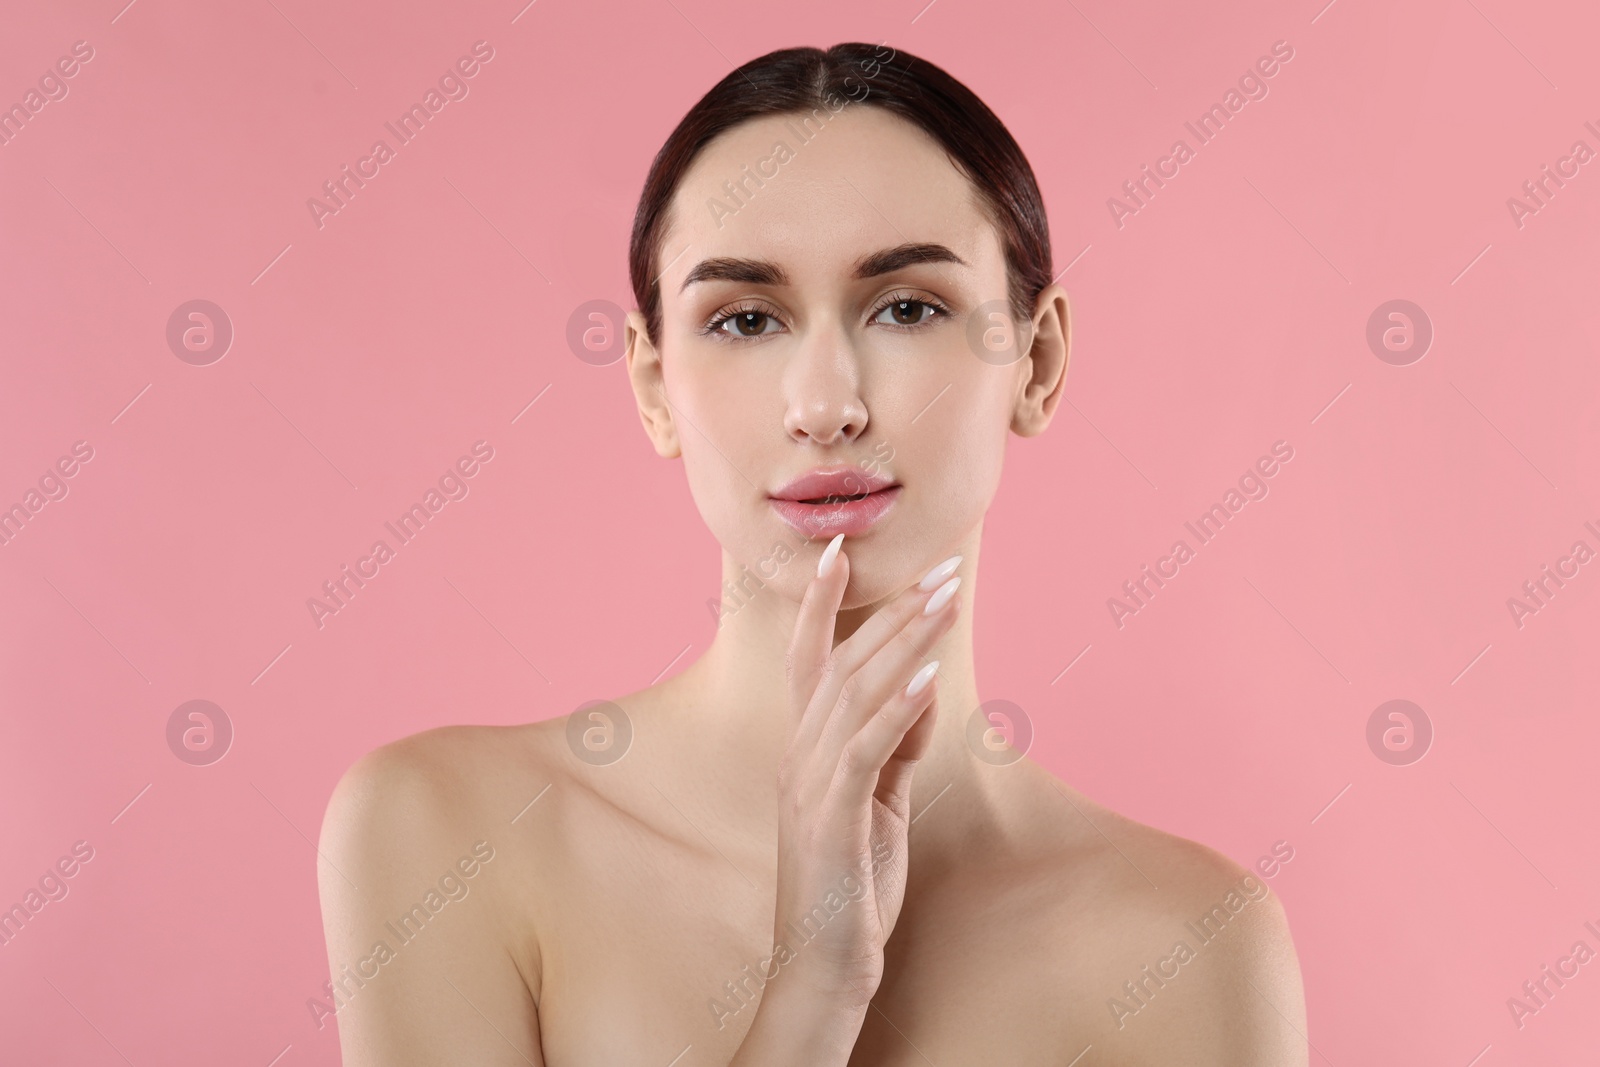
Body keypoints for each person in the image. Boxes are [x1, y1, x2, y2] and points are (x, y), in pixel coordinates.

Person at [317, 41, 1308, 1066]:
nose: (826, 405)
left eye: (908, 306)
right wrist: (809, 987)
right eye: (745, 319)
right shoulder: (449, 833)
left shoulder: (1194, 943)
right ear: (656, 388)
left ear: (1037, 360)